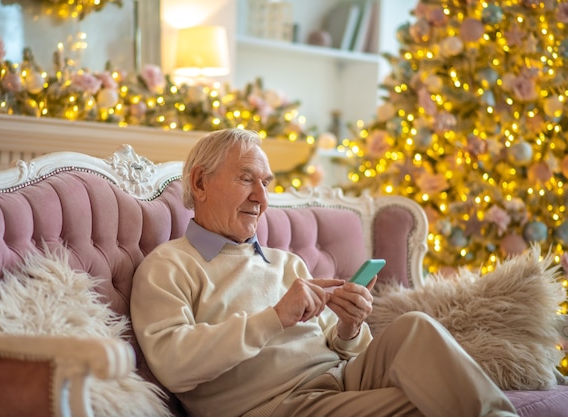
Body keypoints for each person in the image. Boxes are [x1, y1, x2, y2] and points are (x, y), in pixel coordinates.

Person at [131, 128, 518, 417]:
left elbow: (348, 351)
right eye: (246, 179)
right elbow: (174, 365)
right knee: (434, 405)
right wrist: (276, 318)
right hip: (277, 405)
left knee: (414, 327)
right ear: (200, 182)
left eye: (265, 184)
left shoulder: (286, 264)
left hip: (340, 379)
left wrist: (349, 327)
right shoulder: (169, 266)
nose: (262, 199)